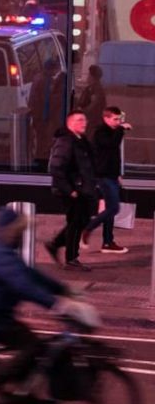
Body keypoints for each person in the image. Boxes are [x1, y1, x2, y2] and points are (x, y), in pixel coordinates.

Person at [0, 208, 97, 404]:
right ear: (9, 232)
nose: (21, 237)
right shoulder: (2, 258)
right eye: (18, 232)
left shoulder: (4, 253)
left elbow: (34, 276)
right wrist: (56, 304)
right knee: (33, 346)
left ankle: (16, 385)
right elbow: (25, 287)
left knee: (31, 343)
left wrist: (64, 289)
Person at [45, 110, 97, 271]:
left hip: (83, 189)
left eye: (85, 120)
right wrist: (70, 190)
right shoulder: (66, 141)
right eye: (80, 120)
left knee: (82, 221)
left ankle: (55, 244)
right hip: (73, 190)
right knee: (75, 223)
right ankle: (71, 259)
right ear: (70, 123)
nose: (84, 123)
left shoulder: (81, 140)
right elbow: (55, 168)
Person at [82, 106, 132, 254]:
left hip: (111, 175)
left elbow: (113, 157)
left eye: (119, 119)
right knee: (113, 208)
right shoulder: (100, 132)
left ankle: (108, 242)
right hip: (103, 176)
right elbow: (112, 144)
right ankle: (88, 229)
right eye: (115, 119)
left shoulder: (111, 132)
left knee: (110, 210)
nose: (118, 122)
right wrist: (121, 129)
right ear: (106, 118)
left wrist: (117, 175)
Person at [27, 58, 66, 165]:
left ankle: (39, 158)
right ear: (50, 69)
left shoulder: (40, 77)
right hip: (41, 115)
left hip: (38, 114)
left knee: (41, 138)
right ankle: (40, 160)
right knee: (42, 139)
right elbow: (46, 100)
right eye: (54, 69)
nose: (55, 72)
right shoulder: (44, 81)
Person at [76, 65, 106, 137]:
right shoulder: (89, 88)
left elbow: (94, 104)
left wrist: (83, 112)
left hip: (93, 122)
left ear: (92, 77)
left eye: (89, 75)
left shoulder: (97, 89)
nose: (87, 77)